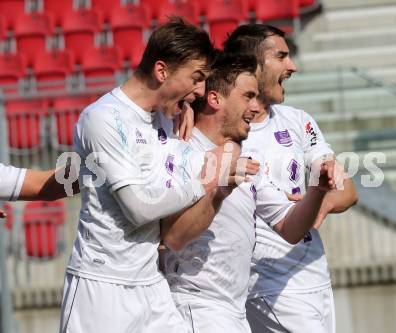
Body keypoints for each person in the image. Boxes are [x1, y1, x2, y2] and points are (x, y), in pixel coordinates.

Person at [58, 18, 250, 333]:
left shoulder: (165, 116)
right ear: (161, 71)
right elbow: (139, 209)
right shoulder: (103, 119)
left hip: (151, 286)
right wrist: (208, 179)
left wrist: (184, 105)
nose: (201, 91)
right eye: (196, 78)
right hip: (103, 290)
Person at [160, 53, 337, 333]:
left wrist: (317, 192)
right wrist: (218, 192)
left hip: (234, 311)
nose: (256, 108)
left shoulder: (246, 159)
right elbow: (173, 237)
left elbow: (289, 228)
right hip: (196, 308)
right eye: (248, 97)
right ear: (215, 99)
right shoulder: (181, 152)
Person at [223, 24, 358, 333]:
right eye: (281, 56)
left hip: (314, 275)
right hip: (270, 283)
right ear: (251, 66)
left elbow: (347, 189)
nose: (292, 66)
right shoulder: (228, 136)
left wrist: (318, 203)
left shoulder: (297, 120)